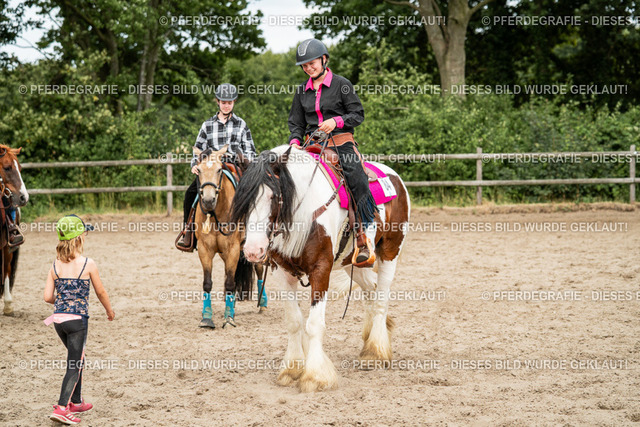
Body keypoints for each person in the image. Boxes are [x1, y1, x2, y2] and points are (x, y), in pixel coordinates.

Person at [288, 38, 378, 266]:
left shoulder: (342, 84)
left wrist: (336, 121)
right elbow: (296, 122)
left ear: (324, 59)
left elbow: (357, 114)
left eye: (312, 63)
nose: (308, 68)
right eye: (304, 65)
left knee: (356, 176)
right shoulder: (301, 91)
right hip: (312, 144)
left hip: (340, 141)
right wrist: (295, 140)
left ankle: (364, 236)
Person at [43, 214, 115, 425]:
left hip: (58, 320)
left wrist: (63, 301)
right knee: (74, 363)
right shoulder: (88, 263)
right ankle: (62, 407)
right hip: (77, 322)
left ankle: (76, 401)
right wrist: (109, 311)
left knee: (77, 358)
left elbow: (47, 297)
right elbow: (101, 292)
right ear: (79, 238)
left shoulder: (55, 265)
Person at [175, 83, 257, 252]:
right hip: (211, 167)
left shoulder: (241, 124)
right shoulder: (207, 125)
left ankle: (250, 233)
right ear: (218, 102)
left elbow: (250, 150)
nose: (226, 105)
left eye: (230, 102)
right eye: (223, 102)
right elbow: (198, 148)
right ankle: (188, 232)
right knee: (190, 193)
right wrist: (194, 165)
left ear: (234, 102)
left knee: (251, 193)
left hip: (233, 165)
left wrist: (242, 159)